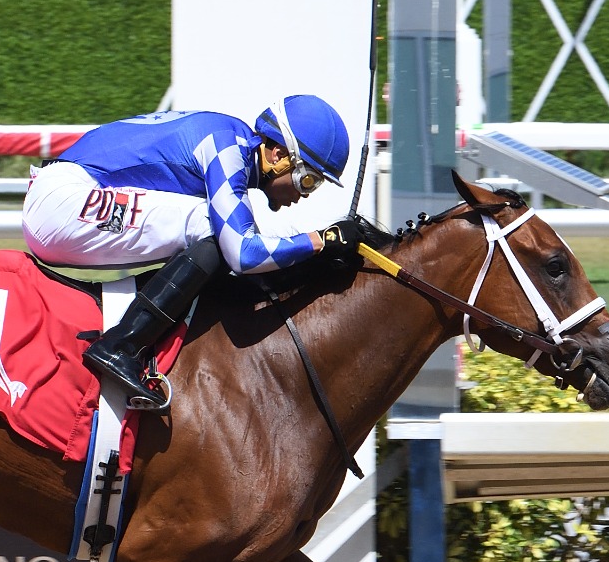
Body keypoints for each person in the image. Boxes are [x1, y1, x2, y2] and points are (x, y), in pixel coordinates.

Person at [21, 95, 364, 411]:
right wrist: (322, 240)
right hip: (62, 202)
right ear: (277, 154)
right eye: (309, 181)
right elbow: (244, 255)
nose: (305, 195)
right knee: (215, 229)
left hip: (66, 196)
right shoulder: (228, 145)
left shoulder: (232, 139)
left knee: (217, 231)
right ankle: (120, 347)